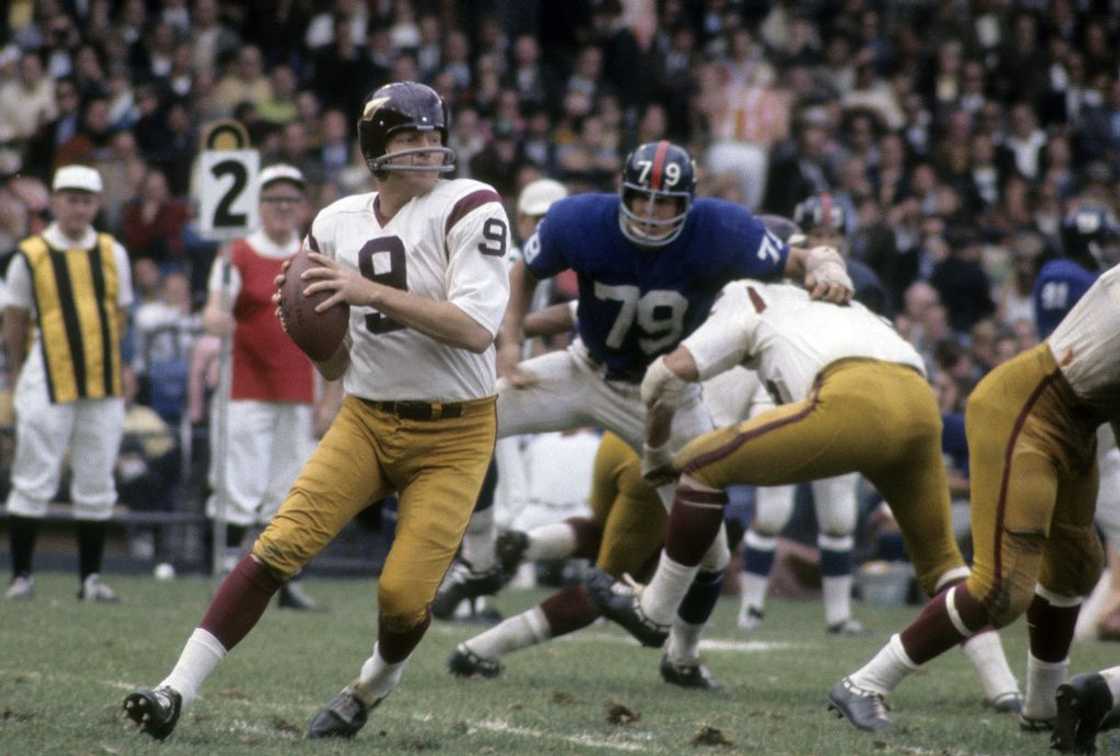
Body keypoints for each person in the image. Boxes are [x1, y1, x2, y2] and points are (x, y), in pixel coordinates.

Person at [122, 81, 511, 741]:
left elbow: (476, 330)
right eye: (410, 137)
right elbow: (335, 364)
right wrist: (310, 331)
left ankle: (372, 684)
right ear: (375, 149)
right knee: (277, 546)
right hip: (367, 416)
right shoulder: (334, 223)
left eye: (433, 135)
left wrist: (366, 291)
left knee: (401, 596)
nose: (427, 148)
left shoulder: (471, 205)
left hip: (455, 430)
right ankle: (174, 690)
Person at [433, 141, 855, 673]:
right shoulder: (581, 221)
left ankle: (682, 655)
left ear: (689, 204)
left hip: (666, 402)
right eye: (642, 199)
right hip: (585, 369)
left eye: (666, 203)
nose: (652, 215)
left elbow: (803, 258)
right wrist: (512, 341)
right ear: (622, 192)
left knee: (712, 552)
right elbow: (531, 277)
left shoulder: (722, 237)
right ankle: (480, 559)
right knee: (467, 421)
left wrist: (826, 262)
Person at [587, 276, 1022, 715]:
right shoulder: (837, 306)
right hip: (918, 404)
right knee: (943, 564)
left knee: (698, 468)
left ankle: (655, 610)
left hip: (855, 398)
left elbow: (664, 376)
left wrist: (656, 454)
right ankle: (1001, 685)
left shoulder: (746, 296)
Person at [827, 263, 1120, 734]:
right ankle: (865, 683)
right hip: (1028, 410)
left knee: (1076, 567)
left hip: (1079, 423)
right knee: (1001, 585)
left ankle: (1042, 706)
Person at [432, 176, 568, 622]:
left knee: (501, 497)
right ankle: (466, 589)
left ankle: (470, 590)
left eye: (554, 218)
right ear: (522, 221)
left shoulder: (540, 268)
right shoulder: (509, 261)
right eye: (539, 218)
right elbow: (483, 325)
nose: (546, 227)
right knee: (494, 496)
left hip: (505, 388)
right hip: (483, 389)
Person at [200, 163, 329, 611]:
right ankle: (228, 578)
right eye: (274, 199)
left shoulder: (314, 257)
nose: (282, 207)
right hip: (245, 387)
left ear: (303, 207)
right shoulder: (237, 254)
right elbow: (215, 308)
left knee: (289, 489)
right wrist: (215, 317)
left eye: (290, 200)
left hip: (298, 391)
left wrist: (329, 396)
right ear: (259, 204)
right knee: (239, 484)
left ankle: (284, 582)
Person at [4, 165, 133, 602]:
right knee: (33, 473)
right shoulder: (31, 254)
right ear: (55, 202)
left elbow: (121, 314)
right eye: (70, 199)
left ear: (97, 205)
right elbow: (15, 319)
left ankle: (90, 579)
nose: (78, 208)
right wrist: (18, 373)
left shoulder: (113, 253)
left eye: (86, 201)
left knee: (97, 477)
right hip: (48, 374)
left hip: (103, 378)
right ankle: (22, 575)